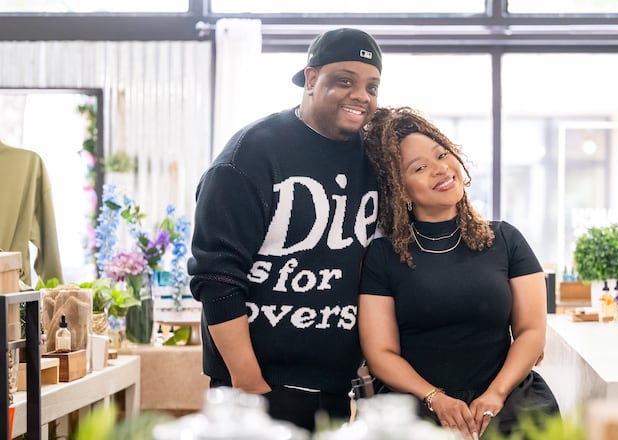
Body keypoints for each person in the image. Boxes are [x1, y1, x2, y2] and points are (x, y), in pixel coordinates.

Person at [188, 28, 382, 432]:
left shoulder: (374, 160)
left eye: (371, 85)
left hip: (334, 393)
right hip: (256, 389)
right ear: (311, 80)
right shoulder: (251, 155)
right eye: (345, 80)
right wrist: (249, 387)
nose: (361, 95)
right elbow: (217, 278)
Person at [358, 107, 559, 439]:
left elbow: (532, 332)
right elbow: (380, 354)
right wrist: (436, 398)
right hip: (418, 410)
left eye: (441, 155)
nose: (440, 170)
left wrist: (495, 394)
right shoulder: (383, 256)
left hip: (509, 401)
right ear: (401, 190)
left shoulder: (506, 239)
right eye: (420, 167)